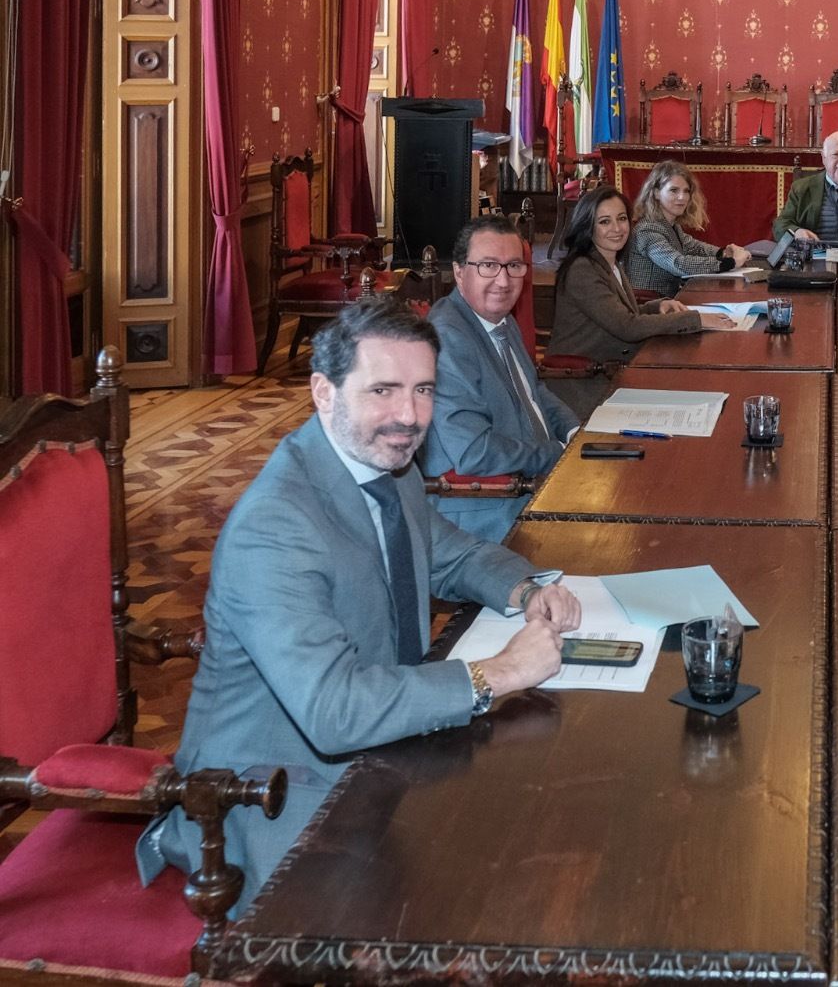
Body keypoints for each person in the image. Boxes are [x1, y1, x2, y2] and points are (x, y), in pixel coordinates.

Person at [136, 296, 582, 912]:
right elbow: (334, 711)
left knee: (530, 833)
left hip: (384, 751)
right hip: (268, 798)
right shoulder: (276, 525)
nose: (409, 415)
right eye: (384, 390)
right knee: (463, 896)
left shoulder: (384, 464)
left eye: (424, 390)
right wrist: (497, 673)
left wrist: (529, 588)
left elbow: (451, 553)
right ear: (324, 392)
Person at [419, 214, 578, 543]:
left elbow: (534, 391)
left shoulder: (501, 321)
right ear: (460, 272)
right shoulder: (448, 338)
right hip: (486, 509)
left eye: (514, 266)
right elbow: (475, 452)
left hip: (531, 483)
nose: (504, 282)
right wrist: (557, 454)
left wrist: (574, 431)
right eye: (489, 266)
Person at [548, 185, 735, 416]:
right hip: (585, 382)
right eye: (604, 222)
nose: (617, 229)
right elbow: (627, 327)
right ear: (588, 227)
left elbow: (622, 312)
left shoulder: (608, 261)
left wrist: (657, 306)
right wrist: (696, 319)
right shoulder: (582, 269)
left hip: (614, 368)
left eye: (622, 218)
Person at [623, 160, 751, 297]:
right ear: (656, 193)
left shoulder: (670, 225)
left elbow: (694, 247)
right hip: (648, 305)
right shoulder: (647, 229)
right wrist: (731, 262)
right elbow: (678, 264)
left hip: (669, 300)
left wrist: (723, 252)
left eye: (686, 191)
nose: (682, 197)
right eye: (674, 190)